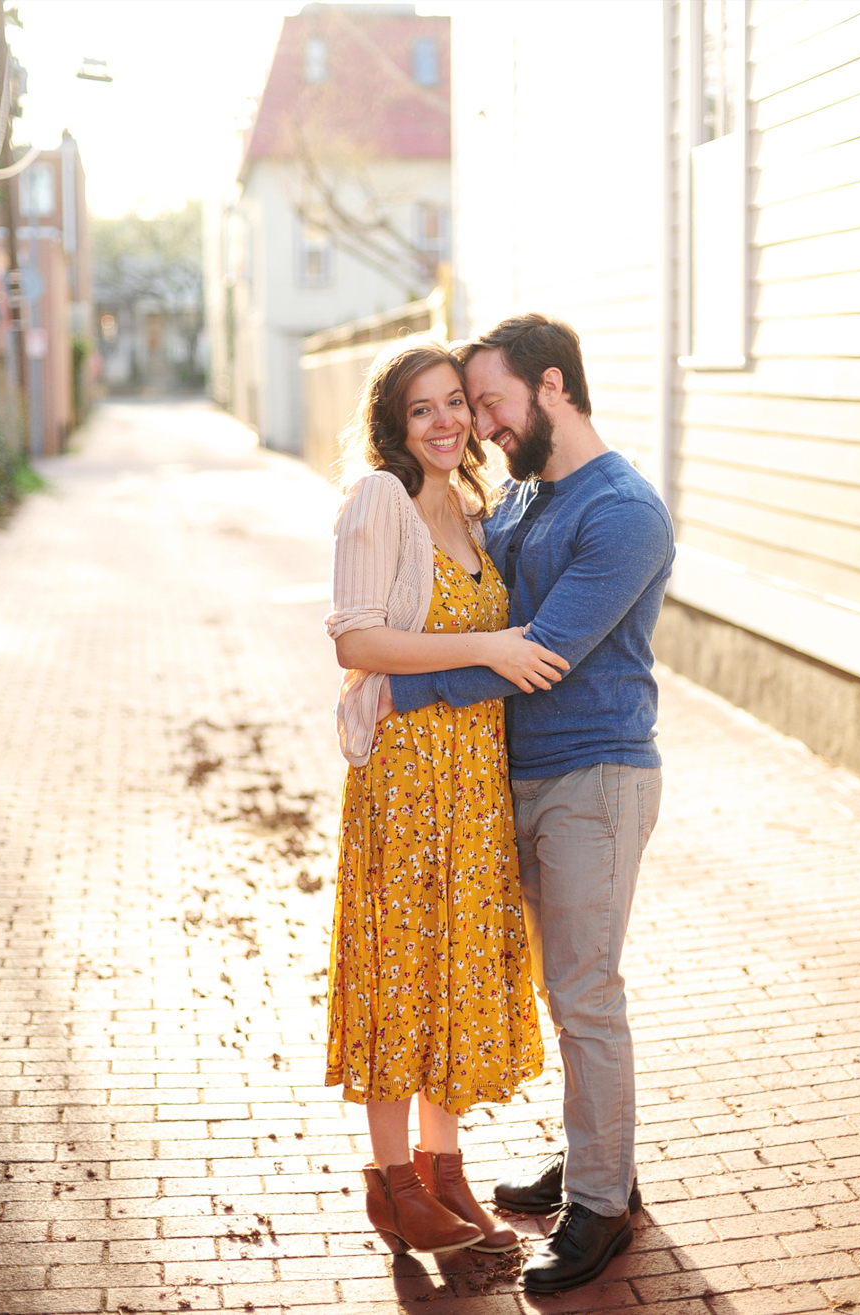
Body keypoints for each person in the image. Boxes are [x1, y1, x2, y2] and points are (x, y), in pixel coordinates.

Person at [388, 313, 676, 1293]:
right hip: (517, 778)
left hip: (595, 775)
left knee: (587, 992)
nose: (485, 428)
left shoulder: (622, 510)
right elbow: (475, 612)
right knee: (562, 986)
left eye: (496, 405)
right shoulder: (519, 497)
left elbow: (538, 655)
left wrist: (398, 688)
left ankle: (601, 1205)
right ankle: (599, 1160)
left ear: (554, 387)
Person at [324, 340, 568, 1257]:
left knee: (451, 972)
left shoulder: (473, 509)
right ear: (393, 420)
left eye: (456, 404)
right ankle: (391, 1180)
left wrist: (498, 650)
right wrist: (492, 649)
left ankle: (441, 1168)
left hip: (469, 782)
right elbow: (357, 642)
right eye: (422, 408)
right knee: (400, 968)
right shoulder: (377, 498)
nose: (445, 422)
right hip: (404, 778)